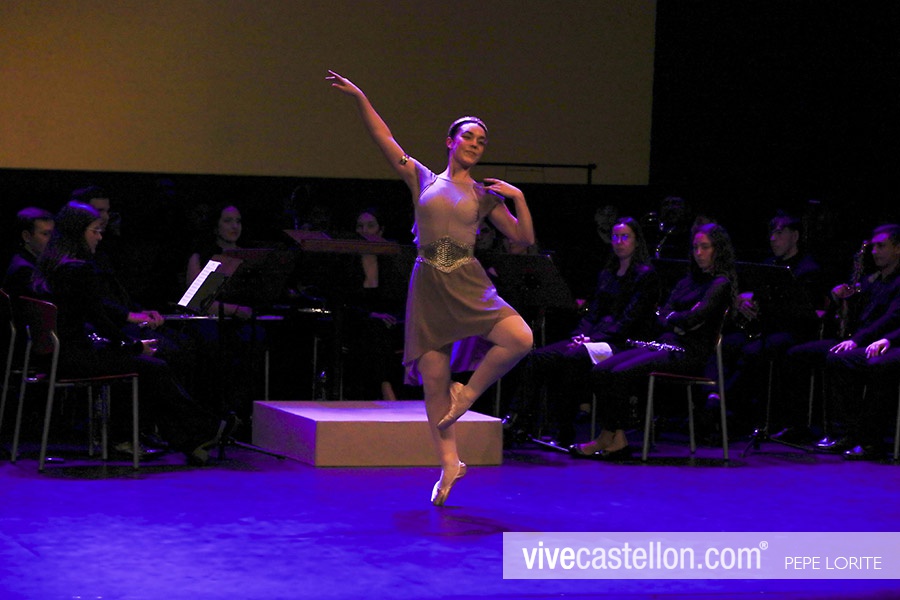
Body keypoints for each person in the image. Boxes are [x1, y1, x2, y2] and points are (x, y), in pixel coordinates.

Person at [328, 70, 535, 506]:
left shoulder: (484, 195)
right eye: (469, 137)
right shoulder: (423, 178)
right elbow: (384, 139)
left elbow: (523, 240)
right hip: (428, 282)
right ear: (450, 141)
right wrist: (361, 97)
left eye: (482, 141)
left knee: (520, 337)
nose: (475, 144)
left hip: (467, 279)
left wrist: (517, 198)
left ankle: (469, 393)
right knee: (434, 380)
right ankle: (449, 463)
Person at [33, 202, 236, 465]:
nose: (100, 237)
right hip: (74, 358)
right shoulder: (77, 269)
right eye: (95, 231)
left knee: (152, 366)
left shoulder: (53, 265)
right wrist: (134, 346)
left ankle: (192, 439)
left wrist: (129, 336)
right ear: (77, 232)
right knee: (154, 366)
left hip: (54, 356)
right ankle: (206, 429)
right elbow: (100, 320)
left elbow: (94, 309)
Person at [571, 222, 736, 460]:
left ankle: (607, 437)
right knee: (601, 369)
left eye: (705, 247)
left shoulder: (720, 284)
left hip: (690, 353)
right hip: (667, 344)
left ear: (717, 250)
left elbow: (694, 318)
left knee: (620, 374)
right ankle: (618, 439)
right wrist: (677, 319)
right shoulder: (687, 281)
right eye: (695, 247)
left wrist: (676, 318)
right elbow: (662, 314)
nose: (698, 253)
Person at [504, 216, 661, 446]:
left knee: (572, 358)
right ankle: (518, 419)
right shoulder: (607, 274)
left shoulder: (645, 275)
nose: (619, 242)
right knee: (539, 357)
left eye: (625, 237)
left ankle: (564, 429)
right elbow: (593, 312)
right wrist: (581, 335)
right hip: (595, 337)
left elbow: (630, 319)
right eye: (616, 237)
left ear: (636, 241)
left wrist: (591, 338)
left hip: (620, 341)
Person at [784, 223, 900, 457]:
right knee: (797, 354)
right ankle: (804, 426)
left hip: (880, 341)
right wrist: (839, 298)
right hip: (859, 338)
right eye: (873, 247)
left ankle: (851, 433)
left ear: (898, 248)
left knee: (841, 359)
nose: (874, 251)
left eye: (881, 246)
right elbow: (853, 315)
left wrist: (860, 340)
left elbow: (892, 317)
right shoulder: (872, 280)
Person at [721, 213, 827, 435]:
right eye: (771, 233)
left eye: (779, 233)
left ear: (795, 236)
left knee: (754, 352)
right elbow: (754, 294)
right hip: (764, 328)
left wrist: (763, 307)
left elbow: (803, 313)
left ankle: (725, 405)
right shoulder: (769, 264)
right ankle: (726, 409)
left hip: (793, 332)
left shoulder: (808, 269)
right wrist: (744, 301)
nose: (772, 239)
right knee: (727, 344)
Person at [342, 207, 404, 400]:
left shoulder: (392, 262)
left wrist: (392, 317)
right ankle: (386, 390)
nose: (364, 231)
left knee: (382, 332)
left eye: (370, 226)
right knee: (374, 330)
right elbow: (343, 301)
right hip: (357, 320)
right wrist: (371, 315)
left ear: (381, 230)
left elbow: (401, 297)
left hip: (390, 320)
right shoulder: (347, 263)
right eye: (360, 226)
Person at [3, 207, 55, 297]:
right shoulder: (24, 271)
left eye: (53, 234)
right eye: (45, 234)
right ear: (26, 236)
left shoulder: (33, 263)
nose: (53, 239)